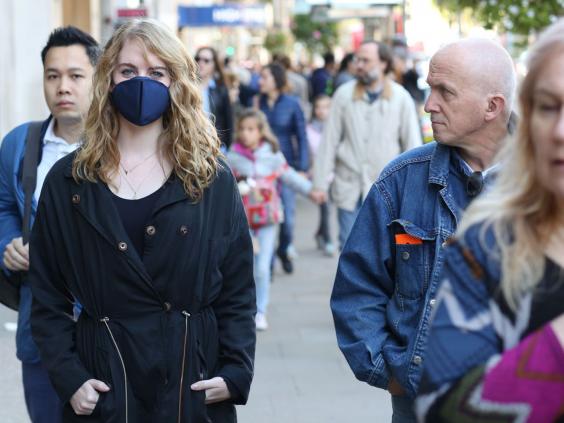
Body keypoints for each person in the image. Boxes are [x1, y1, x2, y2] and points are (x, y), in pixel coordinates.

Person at [28, 19, 256, 423]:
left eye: (157, 73)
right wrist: (70, 378)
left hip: (190, 385)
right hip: (106, 387)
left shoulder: (210, 179)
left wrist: (234, 372)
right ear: (108, 81)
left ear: (176, 83)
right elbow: (47, 296)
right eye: (128, 71)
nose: (141, 83)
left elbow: (237, 286)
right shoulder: (68, 182)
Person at [329, 37, 516, 423]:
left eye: (444, 92)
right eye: (430, 89)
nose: (429, 104)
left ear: (492, 107)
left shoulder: (548, 185)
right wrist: (392, 373)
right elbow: (357, 288)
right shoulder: (401, 180)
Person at [417, 20, 564, 422]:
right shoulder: (486, 247)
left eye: (444, 91)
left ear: (495, 107)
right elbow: (442, 409)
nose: (559, 130)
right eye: (549, 107)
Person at [0, 26, 99, 423]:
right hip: (40, 330)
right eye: (52, 75)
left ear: (98, 79)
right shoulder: (19, 144)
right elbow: (4, 205)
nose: (63, 87)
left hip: (106, 334)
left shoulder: (121, 147)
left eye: (76, 76)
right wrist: (8, 242)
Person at [312, 41, 422, 250]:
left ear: (383, 63)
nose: (359, 65)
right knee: (350, 253)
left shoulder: (401, 98)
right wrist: (319, 184)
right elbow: (329, 141)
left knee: (385, 253)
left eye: (365, 60)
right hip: (349, 188)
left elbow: (413, 148)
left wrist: (415, 192)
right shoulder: (343, 95)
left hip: (387, 192)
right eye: (357, 60)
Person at [227, 109, 318, 331]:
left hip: (268, 218)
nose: (246, 134)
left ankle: (260, 311)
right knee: (245, 266)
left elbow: (290, 177)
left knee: (262, 267)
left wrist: (312, 191)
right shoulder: (233, 157)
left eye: (251, 129)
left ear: (260, 132)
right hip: (243, 220)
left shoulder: (273, 155)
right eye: (242, 129)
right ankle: (244, 307)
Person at [258, 63, 309, 274]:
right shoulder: (256, 102)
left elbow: (302, 136)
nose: (260, 81)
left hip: (286, 167)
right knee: (265, 217)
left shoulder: (292, 103)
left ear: (275, 80)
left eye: (264, 77)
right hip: (262, 169)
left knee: (287, 219)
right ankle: (267, 263)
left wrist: (303, 167)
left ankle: (283, 248)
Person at [306, 94, 335, 256]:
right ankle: (329, 240)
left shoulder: (335, 129)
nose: (321, 111)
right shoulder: (308, 129)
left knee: (327, 208)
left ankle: (319, 233)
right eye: (318, 107)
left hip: (335, 175)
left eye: (325, 107)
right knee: (326, 207)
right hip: (318, 175)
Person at [195, 46, 234, 149]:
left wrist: (226, 145)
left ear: (214, 65)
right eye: (198, 59)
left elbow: (228, 120)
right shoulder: (187, 87)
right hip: (192, 145)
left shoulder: (221, 89)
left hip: (215, 146)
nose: (201, 63)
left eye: (206, 60)